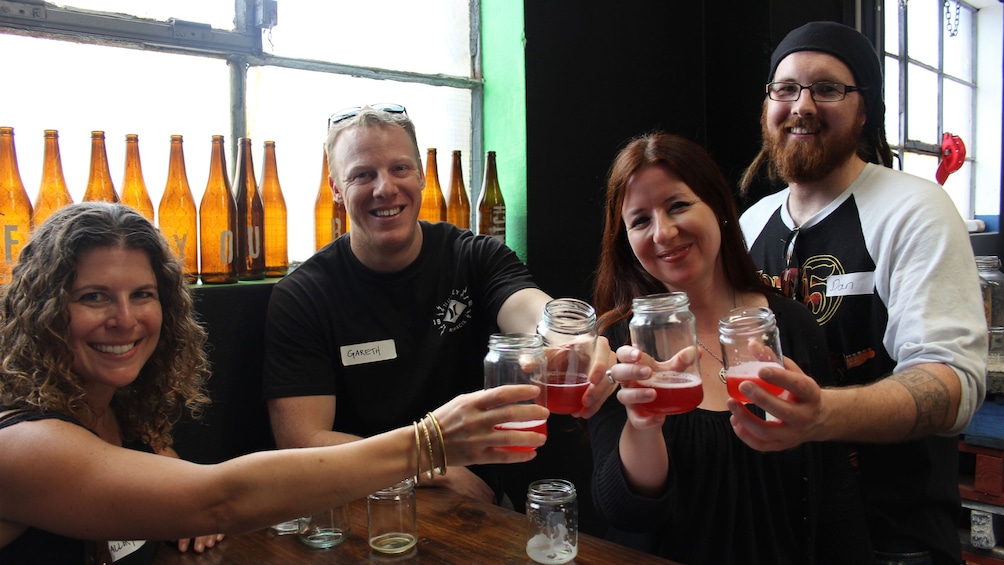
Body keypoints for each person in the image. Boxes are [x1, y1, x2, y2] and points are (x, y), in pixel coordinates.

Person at [0, 202, 548, 564]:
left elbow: (177, 489)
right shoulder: (21, 444)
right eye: (93, 296)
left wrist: (174, 507)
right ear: (45, 310)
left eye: (142, 295)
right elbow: (218, 498)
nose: (125, 318)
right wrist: (430, 442)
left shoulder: (121, 412)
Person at [262, 105, 614, 506]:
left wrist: (573, 339)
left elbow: (530, 312)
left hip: (475, 506)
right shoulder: (303, 295)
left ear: (422, 175)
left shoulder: (474, 257)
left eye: (399, 169)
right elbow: (303, 442)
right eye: (363, 175)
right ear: (336, 190)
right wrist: (432, 467)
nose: (385, 189)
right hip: (360, 501)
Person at [737, 21, 987, 565]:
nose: (802, 105)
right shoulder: (750, 225)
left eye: (827, 88)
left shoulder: (912, 209)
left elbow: (953, 382)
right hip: (779, 536)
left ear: (864, 108)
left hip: (892, 543)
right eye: (786, 89)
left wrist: (822, 413)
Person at [589, 131, 873, 564]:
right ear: (625, 239)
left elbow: (832, 489)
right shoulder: (618, 343)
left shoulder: (789, 325)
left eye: (678, 205)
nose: (663, 232)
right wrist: (644, 425)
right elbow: (625, 512)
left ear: (720, 209)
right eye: (640, 220)